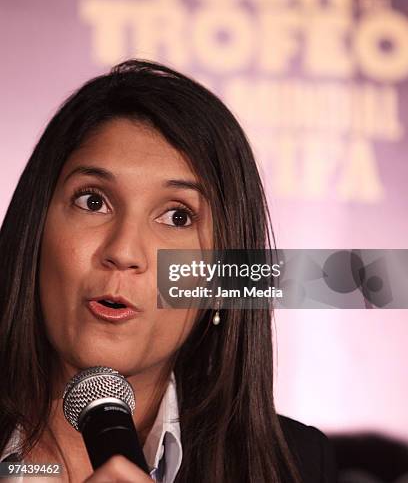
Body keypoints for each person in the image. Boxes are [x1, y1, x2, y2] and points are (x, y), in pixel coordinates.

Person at [0, 59, 337, 482]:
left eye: (177, 217)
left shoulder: (295, 465)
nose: (123, 251)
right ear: (35, 232)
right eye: (93, 201)